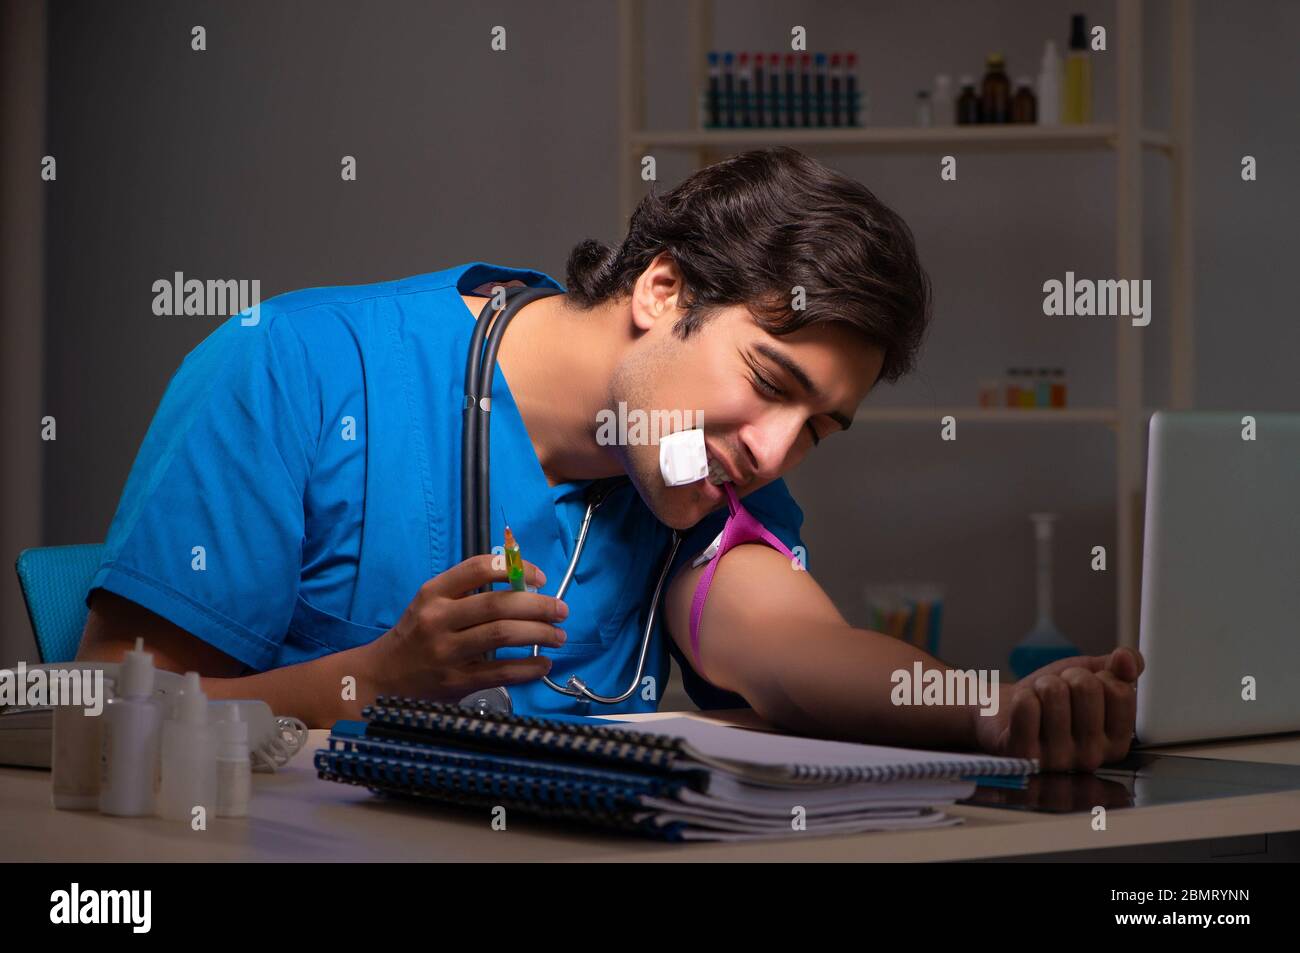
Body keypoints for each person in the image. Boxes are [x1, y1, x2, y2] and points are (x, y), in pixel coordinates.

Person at [78, 147, 1142, 772]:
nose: (771, 452)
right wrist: (378, 678)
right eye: (770, 383)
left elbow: (794, 650)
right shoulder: (300, 371)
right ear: (662, 292)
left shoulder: (684, 474)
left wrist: (993, 707)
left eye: (816, 426)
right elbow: (95, 712)